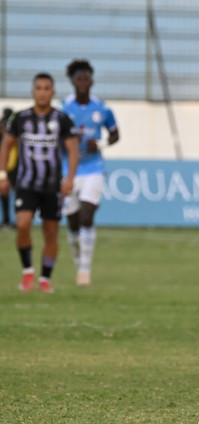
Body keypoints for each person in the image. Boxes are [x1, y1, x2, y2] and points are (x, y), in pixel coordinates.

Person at [0, 73, 79, 293]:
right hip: (26, 184)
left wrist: (70, 178)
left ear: (52, 92)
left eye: (47, 88)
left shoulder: (62, 119)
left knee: (51, 231)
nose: (42, 92)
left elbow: (72, 150)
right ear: (33, 91)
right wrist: (2, 175)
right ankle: (27, 271)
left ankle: (45, 278)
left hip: (52, 186)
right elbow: (6, 145)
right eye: (39, 88)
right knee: (23, 225)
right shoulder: (20, 118)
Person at [61, 59, 120, 286]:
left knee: (87, 215)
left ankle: (84, 269)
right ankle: (78, 258)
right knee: (73, 221)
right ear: (73, 82)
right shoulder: (63, 108)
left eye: (86, 78)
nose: (83, 82)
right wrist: (68, 141)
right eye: (79, 79)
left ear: (91, 81)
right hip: (69, 171)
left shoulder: (102, 108)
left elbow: (115, 134)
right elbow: (55, 136)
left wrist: (101, 143)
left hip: (94, 168)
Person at [0, 107, 16, 228]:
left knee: (7, 195)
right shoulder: (12, 128)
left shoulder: (14, 129)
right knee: (6, 194)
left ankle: (8, 220)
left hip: (10, 166)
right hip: (9, 166)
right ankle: (7, 220)